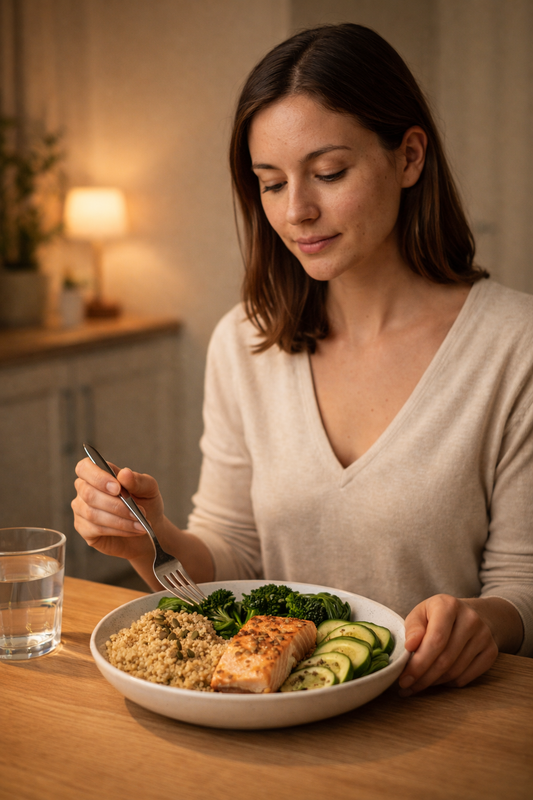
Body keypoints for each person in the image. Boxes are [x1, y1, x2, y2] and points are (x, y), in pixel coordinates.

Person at [72, 23, 533, 696]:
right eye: (269, 183)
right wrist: (155, 540)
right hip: (268, 722)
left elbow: (520, 590)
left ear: (408, 158)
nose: (296, 213)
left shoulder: (514, 345)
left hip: (439, 723)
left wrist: (481, 624)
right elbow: (235, 555)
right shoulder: (244, 342)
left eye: (328, 173)